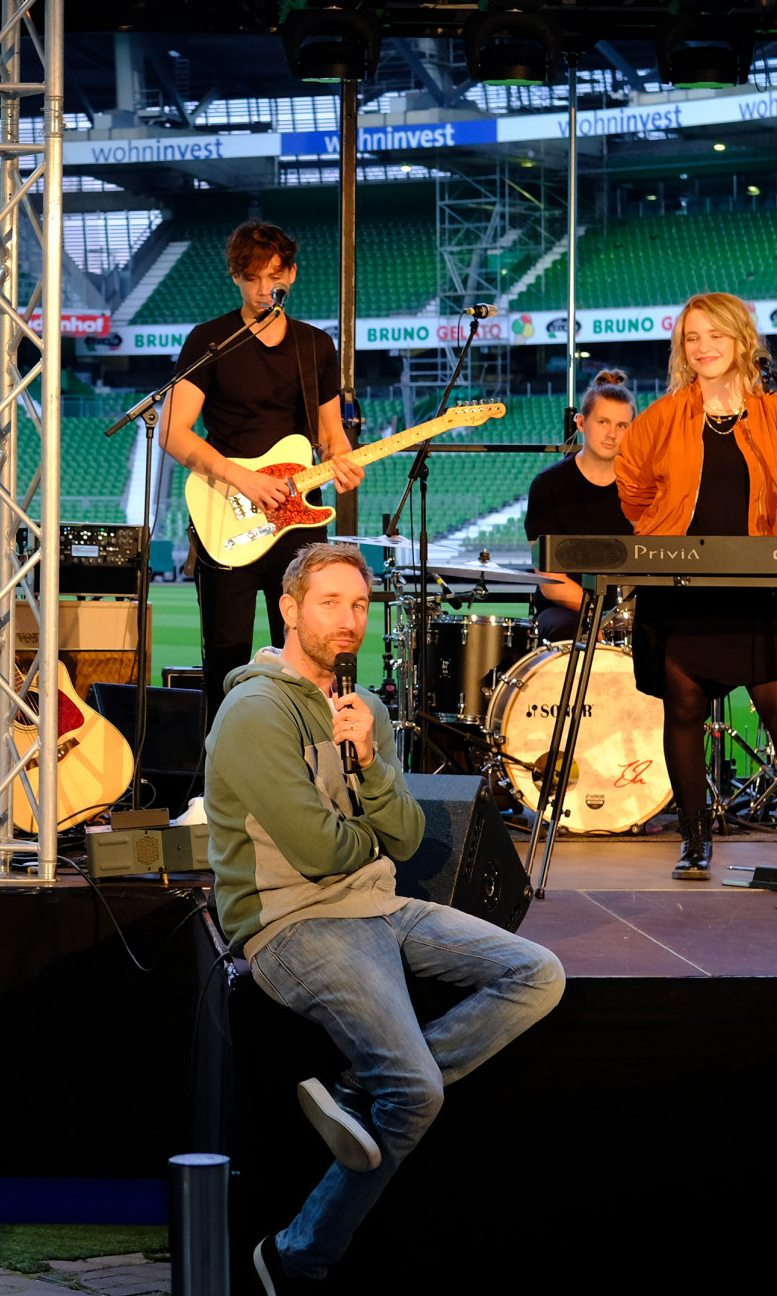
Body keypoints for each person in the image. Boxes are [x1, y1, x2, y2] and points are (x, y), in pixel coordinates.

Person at [204, 541, 565, 1291]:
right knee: (419, 1092)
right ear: (290, 608)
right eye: (329, 602)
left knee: (537, 972)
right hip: (292, 921)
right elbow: (315, 849)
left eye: (359, 605)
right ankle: (295, 1254)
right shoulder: (251, 711)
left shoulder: (361, 707)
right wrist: (368, 829)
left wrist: (367, 760)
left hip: (378, 903)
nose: (346, 620)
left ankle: (357, 1097)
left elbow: (406, 836)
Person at [615, 292, 777, 882]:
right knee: (684, 709)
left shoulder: (775, 413)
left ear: (741, 340)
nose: (703, 347)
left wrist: (769, 536)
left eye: (715, 335)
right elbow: (631, 484)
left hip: (751, 583)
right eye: (691, 337)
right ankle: (694, 837)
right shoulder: (664, 415)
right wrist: (662, 531)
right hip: (680, 585)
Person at [160, 220, 364, 708]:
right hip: (226, 510)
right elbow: (171, 430)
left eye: (271, 276)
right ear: (235, 278)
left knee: (310, 657)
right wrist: (244, 479)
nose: (261, 289)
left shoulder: (314, 345)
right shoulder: (210, 341)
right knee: (226, 658)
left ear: (290, 274)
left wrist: (343, 462)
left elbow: (331, 436)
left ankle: (311, 770)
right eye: (249, 277)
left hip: (298, 521)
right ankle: (225, 772)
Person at [525, 368, 637, 643]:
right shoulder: (548, 486)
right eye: (603, 422)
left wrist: (622, 616)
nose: (612, 434)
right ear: (581, 423)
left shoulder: (641, 485)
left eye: (622, 426)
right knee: (568, 631)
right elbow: (550, 580)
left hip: (629, 610)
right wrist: (597, 616)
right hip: (565, 609)